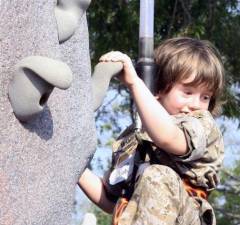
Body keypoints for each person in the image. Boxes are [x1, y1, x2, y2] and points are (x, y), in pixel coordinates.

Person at [78, 37, 225, 225]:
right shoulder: (132, 138)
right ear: (159, 88)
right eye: (188, 92)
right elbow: (112, 201)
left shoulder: (201, 124)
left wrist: (134, 83)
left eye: (205, 97)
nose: (196, 104)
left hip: (184, 218)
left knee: (159, 176)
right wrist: (73, 166)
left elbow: (167, 137)